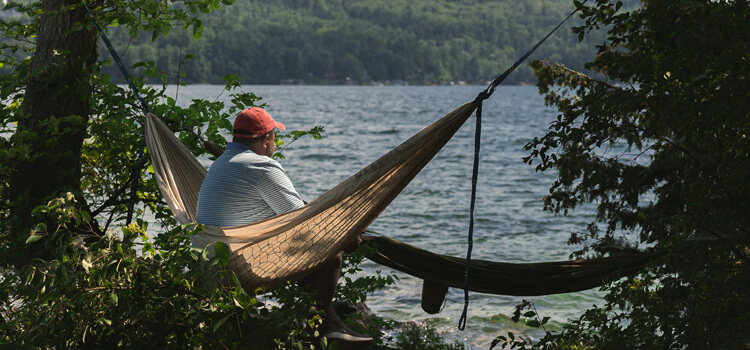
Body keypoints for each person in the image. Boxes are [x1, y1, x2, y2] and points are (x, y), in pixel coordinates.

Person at [196, 107, 372, 345]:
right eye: (274, 136)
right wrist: (344, 235)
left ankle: (333, 326)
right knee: (330, 256)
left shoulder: (219, 164)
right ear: (267, 139)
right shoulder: (260, 167)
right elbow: (301, 222)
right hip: (238, 270)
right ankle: (315, 333)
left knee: (305, 254)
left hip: (210, 266)